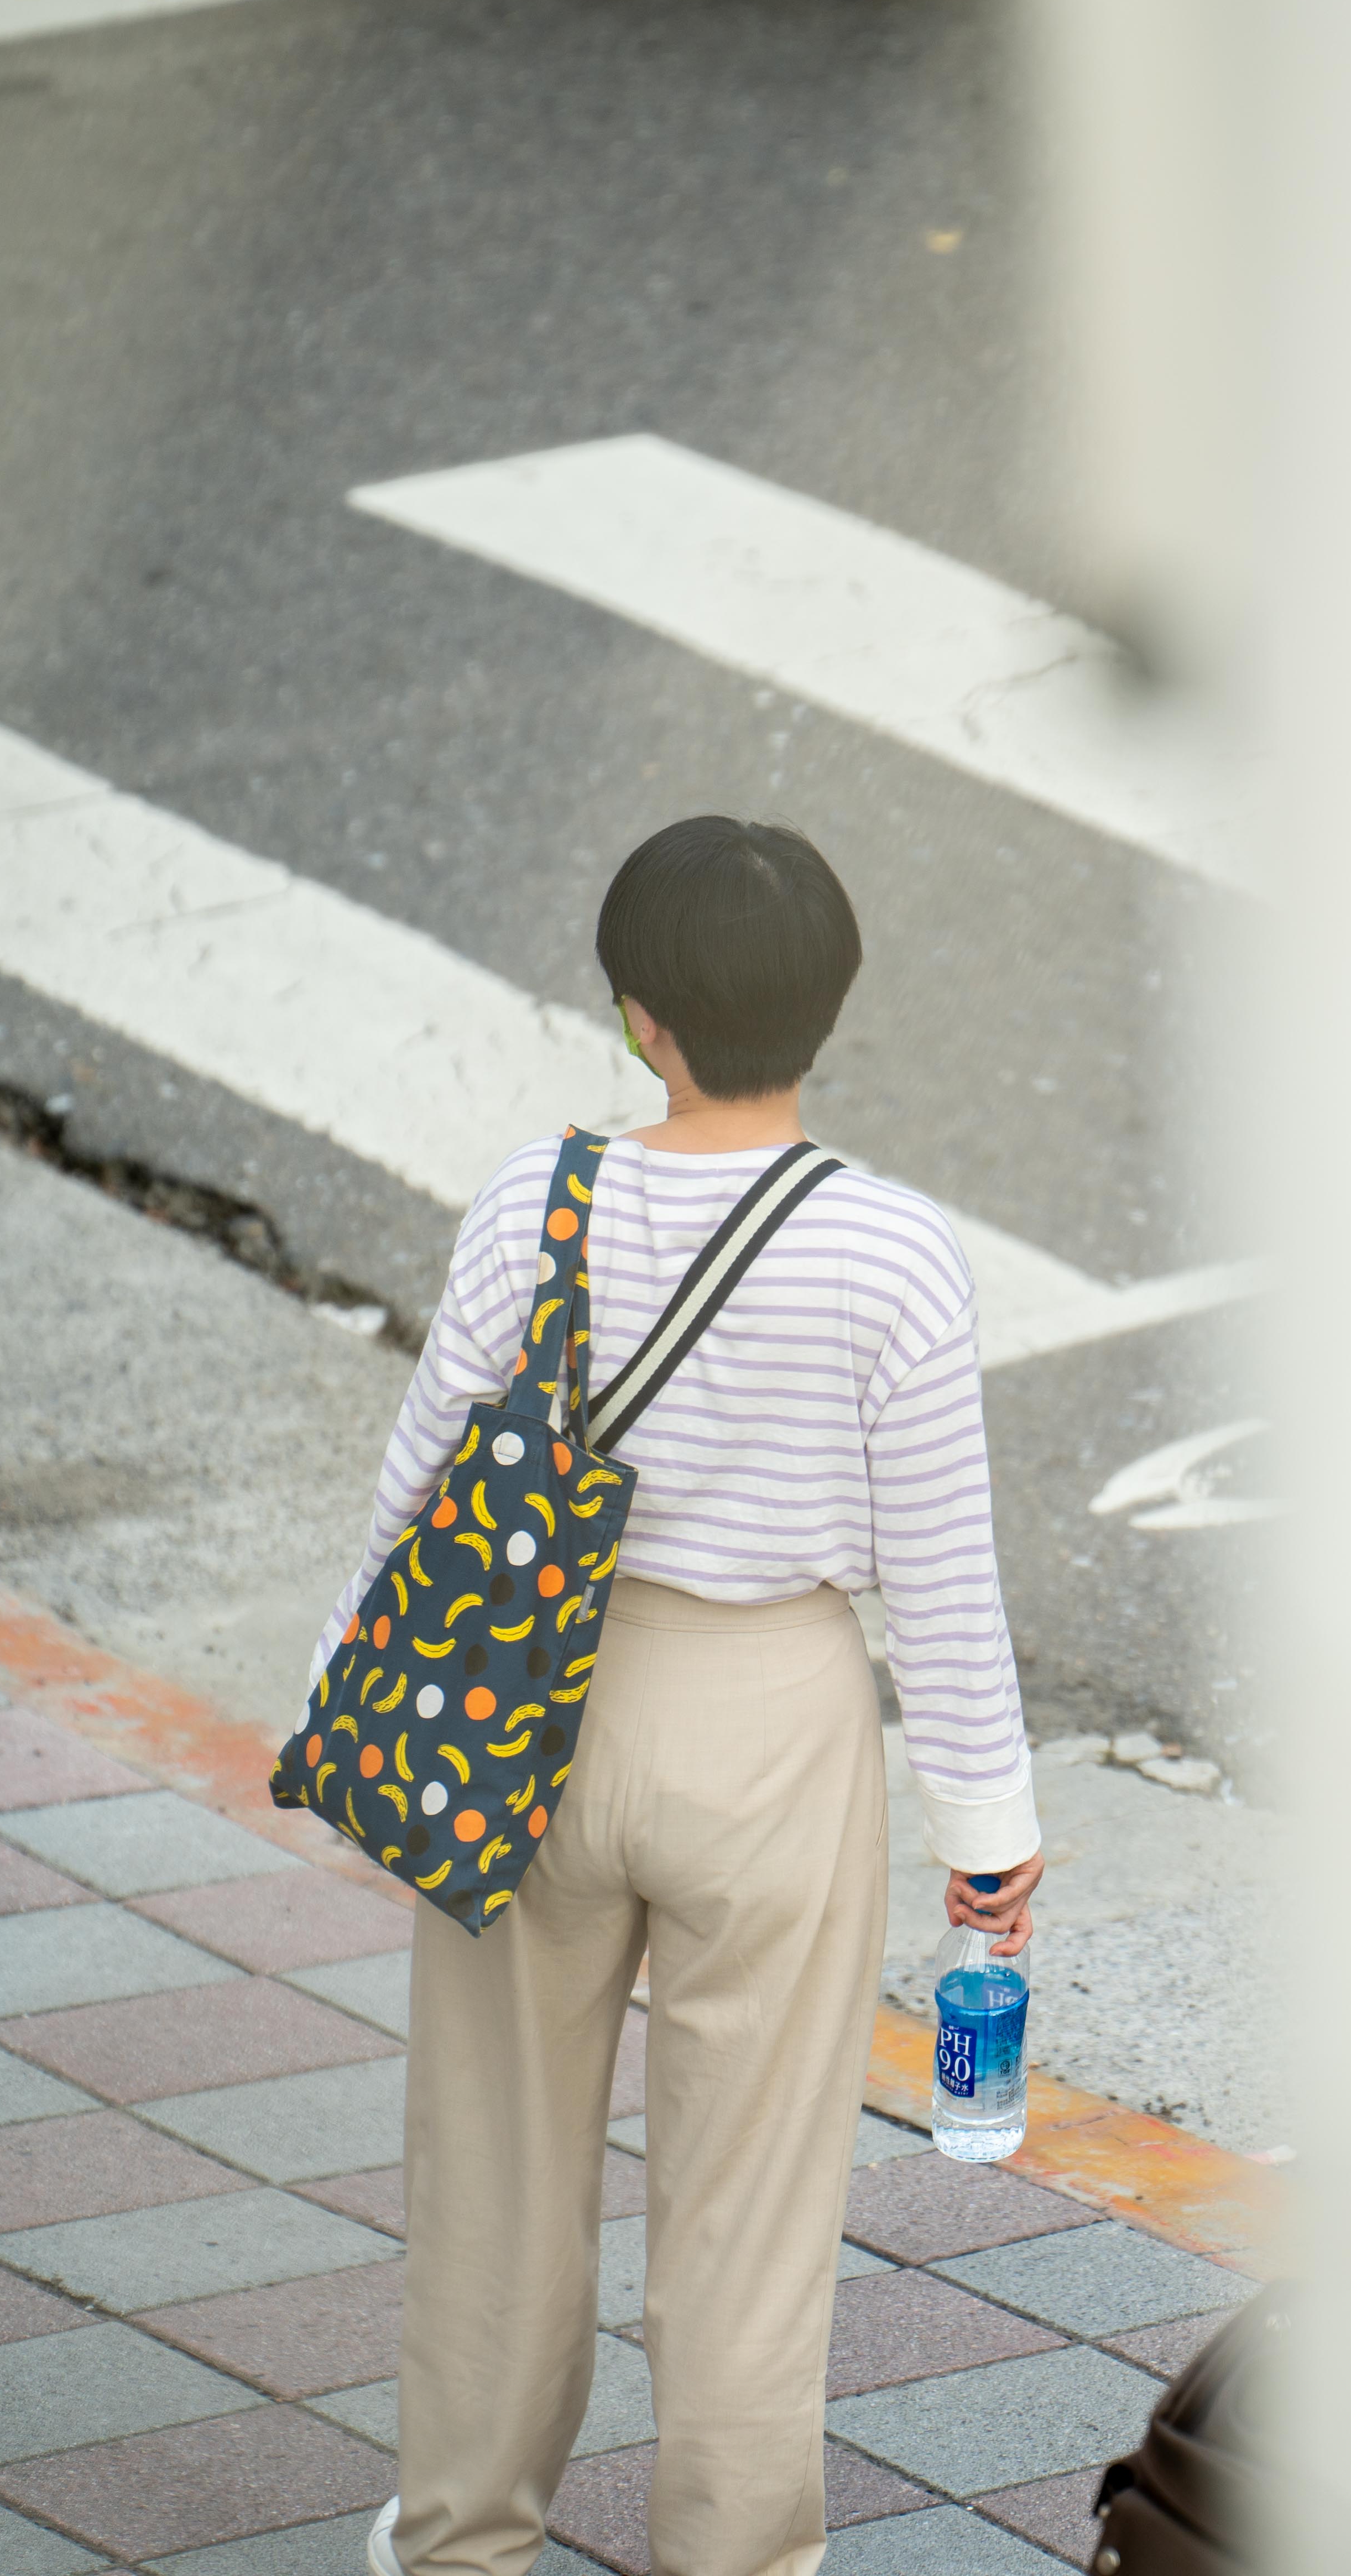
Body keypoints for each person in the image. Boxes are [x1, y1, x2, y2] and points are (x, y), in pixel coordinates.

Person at [331, 816, 1044, 2576]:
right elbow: (945, 1583)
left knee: (494, 2180)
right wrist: (993, 1836)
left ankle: (464, 2541)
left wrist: (360, 1701)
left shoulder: (539, 1197)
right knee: (747, 2213)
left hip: (529, 1702)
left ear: (640, 1020)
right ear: (833, 1008)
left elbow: (419, 1482)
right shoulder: (894, 1256)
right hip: (776, 1717)